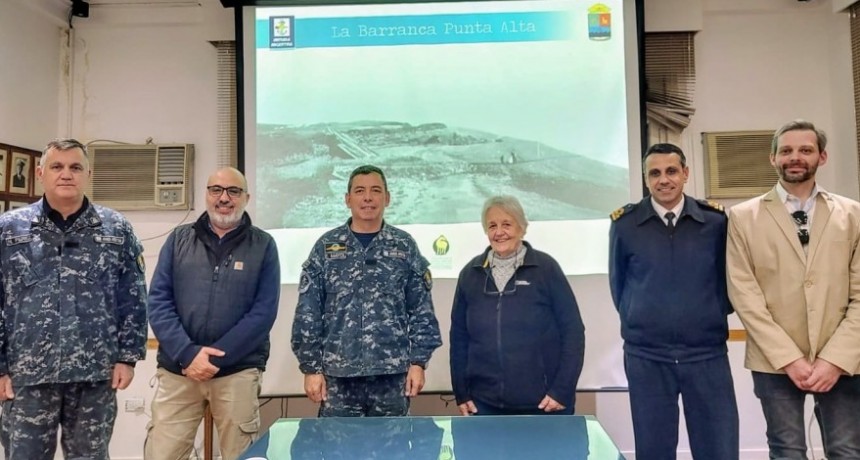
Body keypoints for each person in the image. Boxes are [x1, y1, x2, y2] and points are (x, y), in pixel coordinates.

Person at [0, 138, 147, 459]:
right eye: (57, 166)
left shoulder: (115, 228)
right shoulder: (9, 230)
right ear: (40, 173)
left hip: (94, 373)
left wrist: (128, 357)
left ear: (88, 173)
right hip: (28, 374)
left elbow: (133, 296)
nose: (66, 174)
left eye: (75, 167)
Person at [727, 119, 860, 458]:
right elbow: (745, 294)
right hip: (775, 361)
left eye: (805, 149)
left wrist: (834, 359)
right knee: (786, 451)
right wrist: (790, 359)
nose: (795, 157)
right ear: (773, 158)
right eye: (786, 150)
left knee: (846, 450)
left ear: (822, 157)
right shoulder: (743, 217)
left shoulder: (852, 214)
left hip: (842, 360)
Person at [608, 143, 738, 459]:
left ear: (685, 174)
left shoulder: (715, 222)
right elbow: (619, 285)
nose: (663, 180)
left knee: (718, 448)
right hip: (647, 357)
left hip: (705, 354)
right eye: (655, 173)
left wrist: (706, 317)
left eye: (671, 171)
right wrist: (639, 317)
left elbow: (728, 281)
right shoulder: (625, 224)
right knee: (654, 450)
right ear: (645, 179)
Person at [146, 167, 280, 459]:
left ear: (246, 197)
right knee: (162, 453)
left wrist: (215, 357)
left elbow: (263, 312)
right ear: (206, 195)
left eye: (233, 191)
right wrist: (188, 354)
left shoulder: (264, 245)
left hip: (237, 372)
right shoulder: (179, 239)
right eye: (216, 190)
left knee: (242, 454)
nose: (224, 198)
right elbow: (157, 301)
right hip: (179, 370)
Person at [291, 164, 442, 417]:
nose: (368, 197)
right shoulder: (326, 248)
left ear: (387, 198)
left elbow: (421, 311)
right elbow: (308, 313)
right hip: (339, 376)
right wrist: (311, 368)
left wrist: (418, 363)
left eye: (376, 190)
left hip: (391, 375)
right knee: (339, 454)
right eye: (360, 191)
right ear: (347, 199)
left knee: (392, 454)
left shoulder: (404, 246)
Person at [449, 195, 585, 416]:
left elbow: (573, 332)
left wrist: (562, 390)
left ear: (522, 228)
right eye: (492, 225)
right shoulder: (470, 274)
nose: (499, 232)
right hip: (483, 404)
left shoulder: (546, 269)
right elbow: (459, 337)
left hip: (544, 403)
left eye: (507, 224)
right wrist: (461, 392)